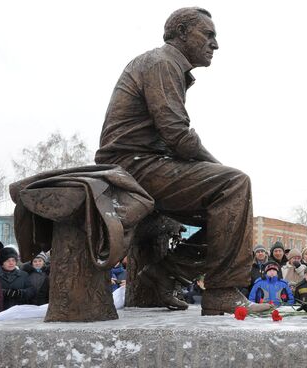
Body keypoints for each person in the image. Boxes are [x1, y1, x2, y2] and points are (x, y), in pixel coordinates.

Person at [94, 7, 267, 315]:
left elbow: (172, 138)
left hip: (143, 163)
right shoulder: (162, 63)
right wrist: (219, 170)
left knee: (230, 211)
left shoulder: (164, 65)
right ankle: (221, 293)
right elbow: (178, 135)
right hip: (132, 166)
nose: (215, 44)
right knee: (235, 185)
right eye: (208, 35)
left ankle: (168, 270)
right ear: (182, 33)